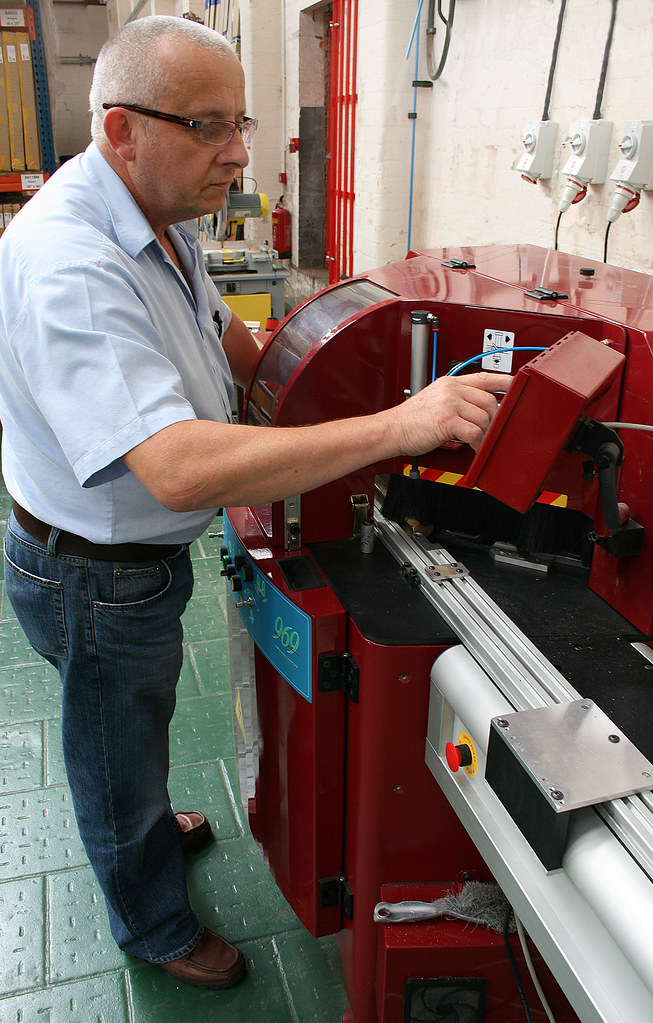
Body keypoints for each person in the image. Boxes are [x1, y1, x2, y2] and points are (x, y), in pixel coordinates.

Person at [0, 15, 512, 992]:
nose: (238, 153)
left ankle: (145, 820)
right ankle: (150, 920)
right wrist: (402, 429)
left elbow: (230, 349)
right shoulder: (71, 261)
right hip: (90, 574)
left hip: (124, 567)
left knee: (132, 726)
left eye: (241, 122)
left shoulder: (159, 217)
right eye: (207, 127)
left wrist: (338, 369)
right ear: (122, 131)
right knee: (110, 745)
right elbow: (177, 469)